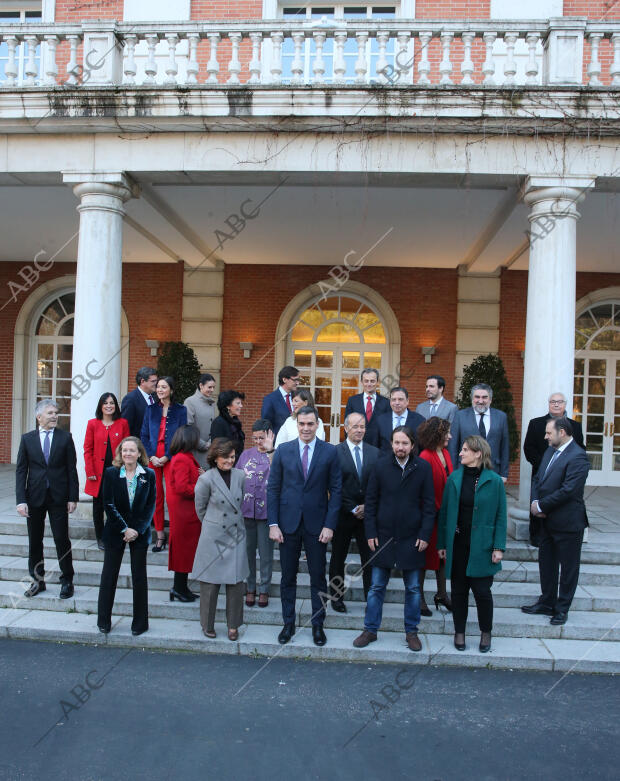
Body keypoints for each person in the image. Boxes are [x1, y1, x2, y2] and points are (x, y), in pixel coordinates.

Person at [353, 426, 435, 652]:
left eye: (405, 443)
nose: (400, 447)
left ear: (412, 445)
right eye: (397, 443)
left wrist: (425, 535)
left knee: (413, 589)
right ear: (391, 444)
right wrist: (370, 533)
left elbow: (429, 506)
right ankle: (370, 630)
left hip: (412, 539)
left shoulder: (423, 468)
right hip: (383, 538)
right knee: (377, 586)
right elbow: (370, 504)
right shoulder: (379, 467)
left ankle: (412, 632)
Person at [268, 406, 342, 647]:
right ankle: (288, 623)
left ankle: (317, 625)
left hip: (317, 525)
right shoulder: (283, 451)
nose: (306, 428)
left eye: (310, 424)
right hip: (287, 525)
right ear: (296, 424)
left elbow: (337, 491)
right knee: (287, 577)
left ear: (318, 425)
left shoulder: (330, 452)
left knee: (318, 578)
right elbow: (273, 489)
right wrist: (273, 523)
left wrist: (330, 525)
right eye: (302, 424)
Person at [438, 435, 507, 653]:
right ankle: (459, 632)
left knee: (482, 593)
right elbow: (445, 514)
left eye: (465, 450)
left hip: (483, 547)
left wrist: (498, 547)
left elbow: (500, 516)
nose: (460, 453)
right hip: (458, 544)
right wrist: (442, 544)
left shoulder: (494, 481)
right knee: (458, 592)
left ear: (478, 453)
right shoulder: (454, 479)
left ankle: (485, 632)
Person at [522, 418, 589, 626]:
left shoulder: (579, 457)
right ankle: (546, 601)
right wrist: (535, 501)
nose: (545, 437)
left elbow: (569, 491)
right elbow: (538, 479)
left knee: (568, 569)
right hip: (546, 522)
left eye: (549, 433)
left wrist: (542, 506)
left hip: (568, 523)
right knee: (546, 563)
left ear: (562, 432)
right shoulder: (550, 450)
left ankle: (562, 609)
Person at [16, 399, 79, 599]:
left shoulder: (65, 438)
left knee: (62, 539)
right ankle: (37, 581)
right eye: (50, 413)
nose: (54, 416)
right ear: (39, 416)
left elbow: (71, 469)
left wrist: (72, 497)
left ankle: (67, 580)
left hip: (58, 497)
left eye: (55, 413)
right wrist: (20, 499)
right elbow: (21, 471)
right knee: (35, 541)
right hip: (34, 497)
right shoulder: (27, 439)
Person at [97, 436, 155, 636]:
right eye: (124, 450)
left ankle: (140, 623)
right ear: (120, 453)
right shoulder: (111, 474)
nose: (128, 454)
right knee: (109, 576)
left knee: (139, 578)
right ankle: (103, 620)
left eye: (132, 450)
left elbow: (150, 506)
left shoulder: (149, 474)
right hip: (115, 531)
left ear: (139, 453)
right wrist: (124, 529)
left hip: (139, 532)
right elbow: (108, 504)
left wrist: (136, 529)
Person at [192, 439, 248, 641]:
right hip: (213, 536)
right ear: (215, 457)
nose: (229, 461)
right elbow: (200, 509)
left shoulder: (241, 476)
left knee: (236, 583)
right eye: (225, 457)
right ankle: (207, 624)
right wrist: (213, 524)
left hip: (235, 534)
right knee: (209, 584)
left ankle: (233, 626)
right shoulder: (206, 479)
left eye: (232, 457)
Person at [329, 412, 380, 612]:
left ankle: (371, 598)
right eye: (355, 426)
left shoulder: (375, 453)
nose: (359, 430)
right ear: (345, 428)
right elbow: (334, 486)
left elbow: (378, 485)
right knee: (337, 558)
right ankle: (336, 598)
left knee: (369, 558)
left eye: (362, 427)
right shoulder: (334, 452)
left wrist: (367, 506)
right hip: (342, 514)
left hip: (368, 516)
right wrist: (352, 507)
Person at [523, 392, 585, 547]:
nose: (556, 404)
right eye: (553, 401)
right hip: (541, 474)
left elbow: (580, 449)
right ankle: (537, 536)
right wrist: (545, 466)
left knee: (559, 505)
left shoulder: (575, 426)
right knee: (539, 503)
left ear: (565, 404)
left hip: (565, 476)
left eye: (559, 402)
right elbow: (529, 448)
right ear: (548, 403)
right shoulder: (536, 423)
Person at [140, 376, 188, 552]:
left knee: (173, 497)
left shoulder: (181, 410)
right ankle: (160, 535)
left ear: (171, 390)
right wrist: (151, 456)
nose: (160, 390)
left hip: (172, 458)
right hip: (153, 457)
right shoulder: (150, 409)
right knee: (156, 497)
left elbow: (182, 436)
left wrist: (167, 456)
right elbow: (144, 435)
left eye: (164, 387)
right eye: (158, 387)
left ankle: (175, 534)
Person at [416, 416, 454, 615]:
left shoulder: (445, 453)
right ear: (437, 434)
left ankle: (441, 594)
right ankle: (419, 598)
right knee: (423, 559)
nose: (450, 435)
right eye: (447, 432)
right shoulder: (425, 456)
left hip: (443, 517)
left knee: (441, 557)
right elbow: (423, 490)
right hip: (429, 516)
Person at [237, 419, 276, 608]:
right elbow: (236, 479)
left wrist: (270, 451)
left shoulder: (275, 455)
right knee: (248, 552)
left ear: (269, 435)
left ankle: (264, 589)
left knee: (266, 553)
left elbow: (279, 476)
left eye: (261, 437)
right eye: (255, 438)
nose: (258, 442)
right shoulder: (245, 455)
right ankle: (250, 586)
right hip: (246, 512)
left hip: (267, 513)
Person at [83, 392, 130, 550]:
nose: (109, 406)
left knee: (117, 504)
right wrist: (90, 470)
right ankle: (100, 537)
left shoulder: (122, 423)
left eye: (112, 403)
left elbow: (128, 448)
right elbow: (87, 449)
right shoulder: (92, 424)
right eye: (106, 403)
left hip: (117, 471)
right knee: (98, 506)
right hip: (98, 472)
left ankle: (116, 534)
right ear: (100, 406)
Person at [167, 425, 204, 603]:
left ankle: (181, 587)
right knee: (183, 551)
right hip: (184, 513)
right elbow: (182, 488)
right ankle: (178, 588)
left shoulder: (185, 457)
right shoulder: (182, 459)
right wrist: (202, 488)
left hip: (187, 512)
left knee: (186, 552)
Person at [450, 383, 510, 481]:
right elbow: (453, 447)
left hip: (493, 470)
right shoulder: (460, 416)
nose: (480, 401)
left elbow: (504, 447)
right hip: (465, 470)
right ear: (472, 399)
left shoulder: (501, 417)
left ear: (490, 399)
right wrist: (453, 472)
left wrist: (504, 473)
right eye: (477, 397)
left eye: (484, 397)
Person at [366, 386, 424, 452]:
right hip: (385, 461)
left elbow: (421, 446)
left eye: (400, 399)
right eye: (393, 400)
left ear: (407, 401)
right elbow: (375, 445)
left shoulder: (419, 420)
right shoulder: (380, 420)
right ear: (390, 402)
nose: (397, 403)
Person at [344, 368, 391, 441]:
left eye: (372, 381)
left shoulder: (386, 403)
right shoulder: (352, 401)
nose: (369, 384)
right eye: (366, 381)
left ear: (377, 382)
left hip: (378, 447)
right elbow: (347, 424)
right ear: (361, 382)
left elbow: (388, 427)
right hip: (357, 444)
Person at [184, 373, 217, 469]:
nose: (212, 390)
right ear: (201, 385)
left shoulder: (211, 403)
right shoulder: (190, 402)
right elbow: (188, 427)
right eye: (209, 387)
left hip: (210, 449)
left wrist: (211, 442)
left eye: (213, 387)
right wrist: (202, 444)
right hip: (196, 450)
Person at [261, 365, 300, 437]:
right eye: (295, 380)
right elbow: (266, 425)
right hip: (278, 444)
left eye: (298, 380)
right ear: (284, 379)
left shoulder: (298, 397)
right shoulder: (270, 399)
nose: (297, 383)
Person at [120, 367, 158, 438]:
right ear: (142, 381)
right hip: (139, 445)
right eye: (153, 381)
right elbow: (126, 427)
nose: (156, 384)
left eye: (156, 381)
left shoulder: (156, 396)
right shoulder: (130, 399)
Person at [210, 390, 246, 464]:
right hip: (224, 466)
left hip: (236, 464)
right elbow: (217, 450)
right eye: (238, 403)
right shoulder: (218, 423)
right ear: (228, 406)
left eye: (241, 403)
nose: (241, 406)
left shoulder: (235, 421)